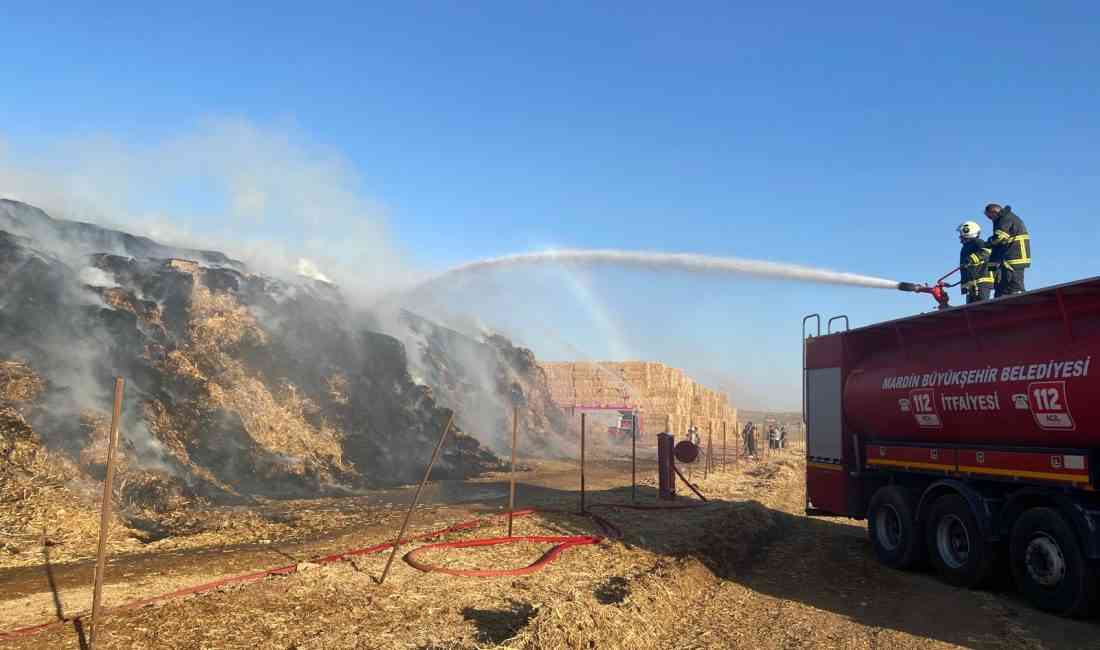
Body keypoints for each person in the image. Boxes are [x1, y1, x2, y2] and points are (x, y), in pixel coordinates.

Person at [983, 203, 1031, 296]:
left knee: (1014, 284)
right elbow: (998, 245)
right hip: (1010, 255)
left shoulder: (1005, 219)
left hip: (1015, 255)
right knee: (1005, 283)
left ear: (994, 212)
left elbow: (999, 238)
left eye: (990, 216)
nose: (990, 219)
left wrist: (986, 244)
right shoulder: (1003, 218)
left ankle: (1018, 299)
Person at [956, 221, 994, 303]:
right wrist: (964, 285)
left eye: (961, 234)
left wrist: (971, 259)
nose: (960, 237)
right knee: (972, 309)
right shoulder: (966, 247)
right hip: (972, 284)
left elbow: (987, 252)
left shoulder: (978, 242)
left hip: (982, 281)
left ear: (967, 231)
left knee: (982, 307)